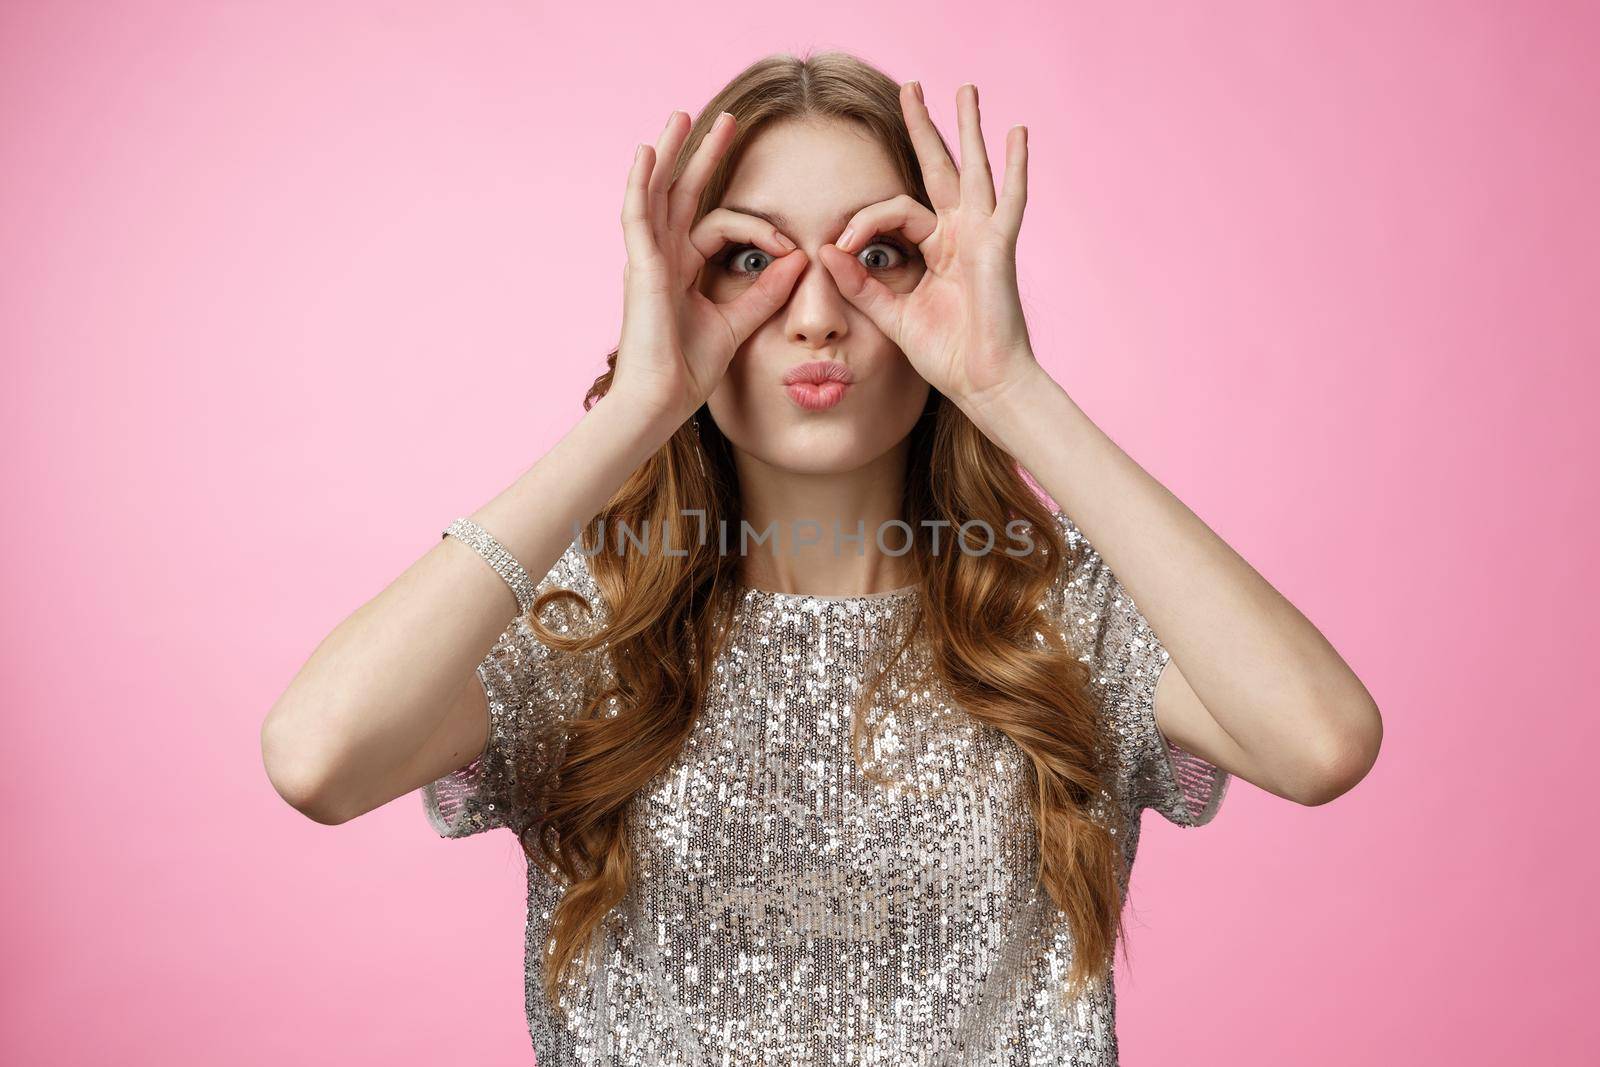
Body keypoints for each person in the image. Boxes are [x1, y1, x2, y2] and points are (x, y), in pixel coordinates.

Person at [262, 50, 1383, 1065]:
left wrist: (1009, 389)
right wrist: (637, 408)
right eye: (746, 257)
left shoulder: (1057, 619)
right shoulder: (578, 630)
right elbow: (317, 757)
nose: (813, 315)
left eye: (879, 257)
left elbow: (1321, 740)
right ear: (677, 285)